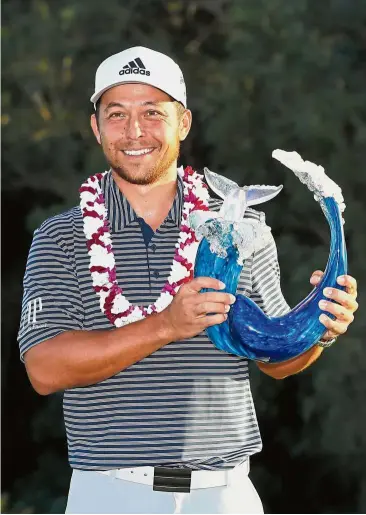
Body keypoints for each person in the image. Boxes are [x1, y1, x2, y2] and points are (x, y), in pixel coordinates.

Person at [18, 46, 358, 514]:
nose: (134, 131)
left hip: (225, 495)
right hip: (112, 493)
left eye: (153, 113)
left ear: (184, 123)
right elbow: (44, 368)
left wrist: (320, 330)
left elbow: (274, 360)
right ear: (96, 127)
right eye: (116, 114)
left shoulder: (245, 226)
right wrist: (166, 326)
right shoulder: (61, 235)